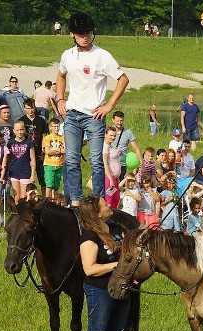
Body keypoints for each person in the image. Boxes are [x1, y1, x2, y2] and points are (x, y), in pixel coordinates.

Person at [56, 11, 129, 207]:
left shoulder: (101, 55)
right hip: (72, 114)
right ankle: (75, 201)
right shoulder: (67, 56)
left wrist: (110, 105)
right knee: (71, 159)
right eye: (81, 34)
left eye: (88, 33)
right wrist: (60, 99)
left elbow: (123, 79)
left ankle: (98, 202)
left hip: (94, 116)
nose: (85, 37)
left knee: (96, 161)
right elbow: (61, 75)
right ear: (72, 34)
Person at [78, 195, 131, 331]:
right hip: (99, 290)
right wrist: (119, 265)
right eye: (105, 204)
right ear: (96, 214)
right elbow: (89, 269)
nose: (109, 205)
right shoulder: (89, 236)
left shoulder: (116, 228)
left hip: (121, 289)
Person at [3, 120, 37, 204]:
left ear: (24, 130)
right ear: (14, 131)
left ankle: (24, 214)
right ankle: (17, 213)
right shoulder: (10, 142)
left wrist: (32, 175)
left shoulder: (29, 142)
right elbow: (7, 157)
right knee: (16, 196)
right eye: (17, 130)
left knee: (24, 196)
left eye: (21, 129)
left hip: (25, 172)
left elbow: (33, 160)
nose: (19, 132)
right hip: (14, 172)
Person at [22, 98, 48, 191]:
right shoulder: (21, 121)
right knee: (27, 179)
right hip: (26, 154)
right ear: (24, 108)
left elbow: (44, 136)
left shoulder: (41, 120)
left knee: (43, 179)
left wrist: (44, 150)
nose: (30, 110)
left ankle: (45, 199)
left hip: (39, 154)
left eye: (32, 108)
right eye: (28, 108)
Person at [111, 111, 142, 179]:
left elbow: (136, 148)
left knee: (120, 187)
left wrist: (142, 163)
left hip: (122, 164)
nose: (119, 123)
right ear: (113, 120)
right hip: (110, 163)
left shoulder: (128, 132)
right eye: (117, 121)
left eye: (121, 120)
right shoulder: (108, 131)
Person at [42, 118, 65, 200]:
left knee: (56, 185)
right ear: (50, 127)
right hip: (49, 164)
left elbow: (65, 150)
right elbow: (48, 151)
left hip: (59, 164)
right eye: (54, 126)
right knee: (49, 184)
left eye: (58, 126)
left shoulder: (62, 138)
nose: (56, 128)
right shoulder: (47, 138)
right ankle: (47, 201)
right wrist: (59, 151)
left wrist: (55, 151)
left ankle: (55, 200)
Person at [102, 126, 122, 209]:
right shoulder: (105, 147)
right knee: (109, 200)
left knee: (116, 200)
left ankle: (114, 218)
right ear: (105, 135)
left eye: (114, 136)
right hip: (108, 178)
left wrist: (117, 178)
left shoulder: (111, 146)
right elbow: (105, 164)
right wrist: (110, 180)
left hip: (115, 178)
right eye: (111, 135)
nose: (113, 137)